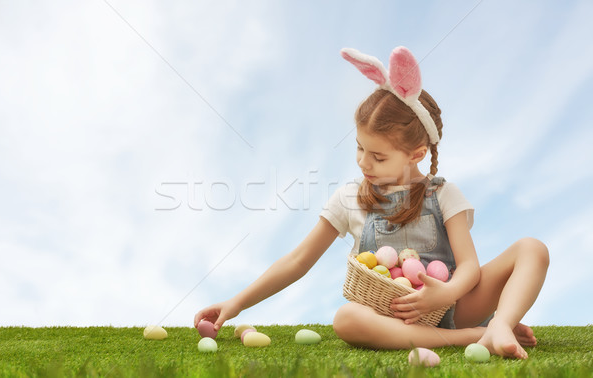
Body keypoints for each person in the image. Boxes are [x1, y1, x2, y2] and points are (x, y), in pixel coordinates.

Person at [194, 46, 549, 359]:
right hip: (390, 314)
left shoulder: (443, 194)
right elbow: (298, 260)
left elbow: (470, 266)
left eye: (378, 156)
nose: (364, 163)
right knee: (346, 318)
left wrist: (444, 295)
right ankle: (470, 338)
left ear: (417, 154)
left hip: (456, 305)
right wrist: (236, 303)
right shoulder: (350, 198)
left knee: (532, 248)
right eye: (360, 148)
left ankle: (499, 324)